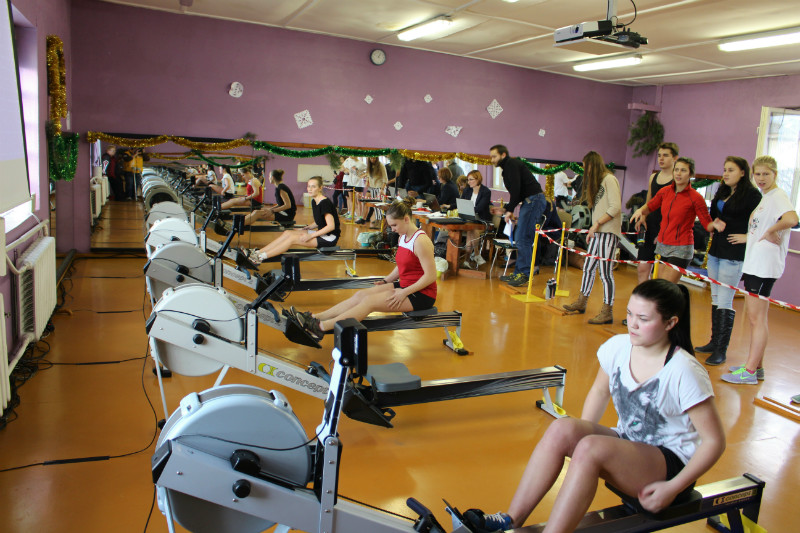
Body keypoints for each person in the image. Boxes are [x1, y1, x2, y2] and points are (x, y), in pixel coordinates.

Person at [463, 279, 725, 533]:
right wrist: (579, 439)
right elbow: (600, 392)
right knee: (563, 429)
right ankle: (511, 519)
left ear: (670, 323)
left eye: (644, 319)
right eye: (629, 314)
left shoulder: (684, 371)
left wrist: (674, 487)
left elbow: (714, 442)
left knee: (590, 448)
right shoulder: (619, 347)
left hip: (670, 466)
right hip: (631, 443)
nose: (633, 324)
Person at [296, 197, 436, 340]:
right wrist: (386, 280)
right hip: (405, 286)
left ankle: (320, 328)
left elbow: (431, 276)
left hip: (421, 294)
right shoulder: (402, 237)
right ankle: (316, 317)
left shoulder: (421, 241)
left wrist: (404, 292)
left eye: (394, 225)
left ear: (406, 219)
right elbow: (402, 266)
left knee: (369, 303)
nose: (393, 230)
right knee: (361, 295)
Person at [721, 156, 798, 385]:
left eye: (766, 174)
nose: (761, 178)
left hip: (764, 267)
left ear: (775, 174)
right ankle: (757, 367)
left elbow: (792, 219)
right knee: (757, 319)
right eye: (758, 174)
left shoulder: (778, 196)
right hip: (756, 264)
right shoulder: (767, 197)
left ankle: (750, 371)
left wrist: (772, 230)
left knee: (756, 320)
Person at [696, 157, 761, 366]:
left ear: (743, 172)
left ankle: (721, 350)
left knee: (725, 299)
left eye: (731, 170)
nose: (725, 173)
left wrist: (748, 237)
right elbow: (714, 215)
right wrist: (714, 222)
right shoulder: (723, 191)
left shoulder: (752, 195)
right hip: (716, 249)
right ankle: (714, 342)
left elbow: (762, 223)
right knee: (715, 297)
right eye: (724, 169)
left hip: (733, 253)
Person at [630, 157, 715, 284]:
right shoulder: (664, 192)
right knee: (660, 285)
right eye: (676, 170)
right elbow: (650, 206)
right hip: (662, 246)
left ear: (690, 174)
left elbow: (707, 224)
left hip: (681, 248)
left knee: (665, 286)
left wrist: (715, 225)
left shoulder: (696, 198)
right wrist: (640, 211)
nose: (678, 173)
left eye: (683, 170)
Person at [562, 152, 622, 324]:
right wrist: (593, 228)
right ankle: (582, 301)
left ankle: (607, 310)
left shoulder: (609, 179)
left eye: (585, 166)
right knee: (588, 267)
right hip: (598, 231)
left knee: (605, 273)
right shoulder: (599, 182)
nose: (584, 170)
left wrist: (597, 224)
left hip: (608, 231)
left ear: (592, 164)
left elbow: (615, 207)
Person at [489, 144, 546, 287]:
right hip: (529, 201)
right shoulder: (508, 168)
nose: (492, 160)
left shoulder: (511, 164)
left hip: (533, 201)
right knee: (521, 238)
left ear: (503, 155)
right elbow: (517, 193)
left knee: (523, 238)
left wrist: (509, 211)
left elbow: (516, 189)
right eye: (491, 157)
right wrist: (506, 209)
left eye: (494, 156)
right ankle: (518, 273)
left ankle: (524, 274)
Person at [247, 176, 339, 265]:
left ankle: (260, 257)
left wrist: (310, 236)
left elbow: (331, 226)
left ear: (320, 188)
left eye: (313, 186)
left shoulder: (325, 203)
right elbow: (319, 221)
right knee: (288, 233)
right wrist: (306, 228)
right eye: (308, 186)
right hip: (322, 233)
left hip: (329, 238)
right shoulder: (314, 201)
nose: (310, 189)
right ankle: (258, 252)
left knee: (292, 239)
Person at [637, 143, 679, 283]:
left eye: (665, 155)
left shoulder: (677, 180)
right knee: (642, 268)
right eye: (659, 155)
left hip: (667, 229)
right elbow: (648, 202)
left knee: (660, 273)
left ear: (675, 158)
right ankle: (642, 295)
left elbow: (677, 210)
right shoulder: (653, 177)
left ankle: (656, 297)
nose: (661, 159)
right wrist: (643, 217)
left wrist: (664, 232)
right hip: (650, 227)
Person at [461, 170, 492, 268]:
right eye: (468, 180)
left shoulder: (486, 192)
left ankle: (467, 259)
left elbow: (480, 208)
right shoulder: (467, 190)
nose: (468, 182)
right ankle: (476, 254)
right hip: (469, 219)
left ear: (478, 179)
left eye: (471, 179)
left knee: (472, 230)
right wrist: (450, 206)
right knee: (471, 229)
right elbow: (461, 203)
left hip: (482, 220)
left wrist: (467, 210)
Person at [364, 156, 389, 228]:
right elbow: (368, 177)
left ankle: (381, 221)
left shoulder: (381, 165)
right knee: (375, 205)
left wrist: (382, 189)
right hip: (372, 188)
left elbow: (385, 178)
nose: (373, 159)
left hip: (380, 187)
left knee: (379, 205)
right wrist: (366, 187)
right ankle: (377, 220)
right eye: (371, 158)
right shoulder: (369, 166)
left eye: (374, 158)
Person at [343, 156, 368, 223]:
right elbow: (343, 168)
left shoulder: (361, 163)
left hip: (358, 183)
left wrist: (362, 175)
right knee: (351, 199)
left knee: (358, 200)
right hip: (350, 182)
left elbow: (368, 171)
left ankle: (360, 216)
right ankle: (352, 214)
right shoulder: (348, 160)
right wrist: (348, 171)